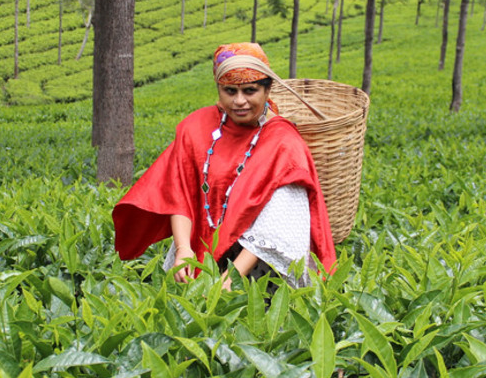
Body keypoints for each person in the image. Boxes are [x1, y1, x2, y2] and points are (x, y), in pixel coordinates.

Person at [113, 43, 336, 288]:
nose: (239, 101)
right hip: (201, 253)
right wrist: (183, 249)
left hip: (261, 268)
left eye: (250, 91)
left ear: (267, 89)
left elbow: (276, 225)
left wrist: (231, 279)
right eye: (230, 91)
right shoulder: (197, 127)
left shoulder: (284, 142)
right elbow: (179, 192)